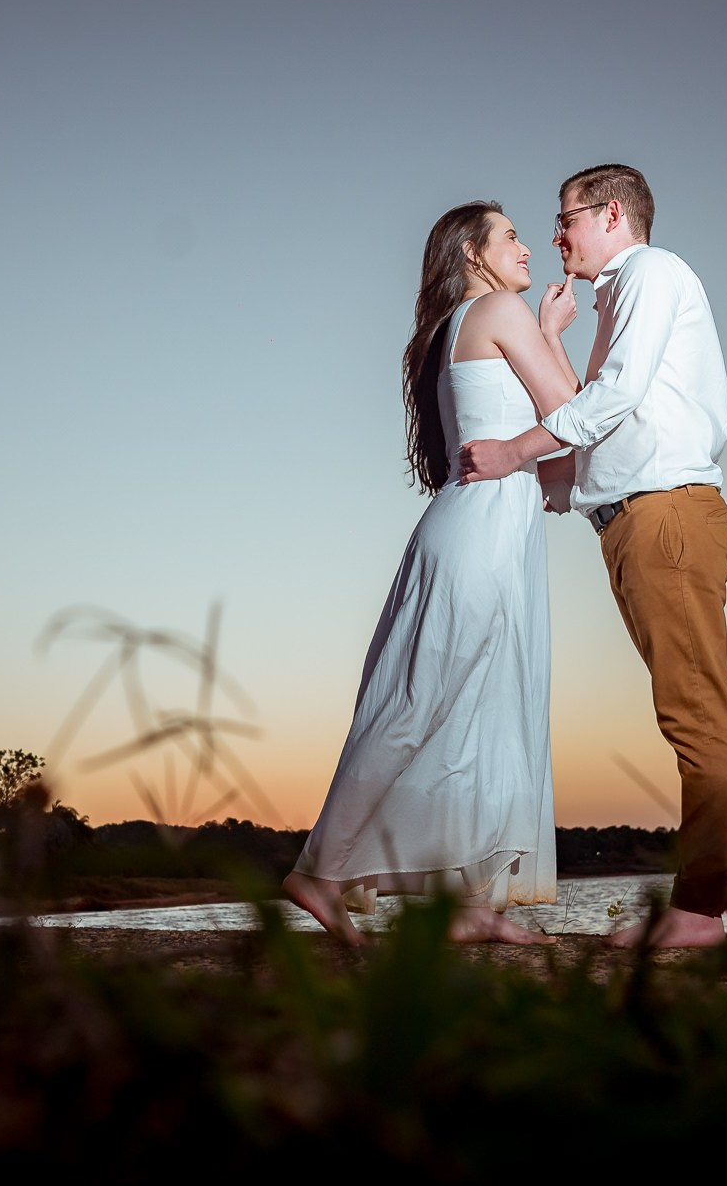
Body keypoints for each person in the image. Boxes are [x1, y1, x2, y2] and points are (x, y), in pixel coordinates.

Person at [458, 164, 727, 949]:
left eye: (565, 219)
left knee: (694, 716)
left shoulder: (651, 270)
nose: (555, 237)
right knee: (724, 711)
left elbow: (611, 397)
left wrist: (516, 450)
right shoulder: (623, 292)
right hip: (640, 526)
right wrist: (551, 340)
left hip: (666, 523)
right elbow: (608, 409)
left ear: (611, 213)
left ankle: (698, 909)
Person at [284, 201, 577, 946]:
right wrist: (549, 332)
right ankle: (319, 868)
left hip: (488, 527)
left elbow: (548, 456)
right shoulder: (500, 310)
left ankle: (471, 904)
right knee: (421, 700)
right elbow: (574, 411)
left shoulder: (467, 320)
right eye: (510, 235)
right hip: (478, 531)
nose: (526, 247)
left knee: (484, 708)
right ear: (473, 253)